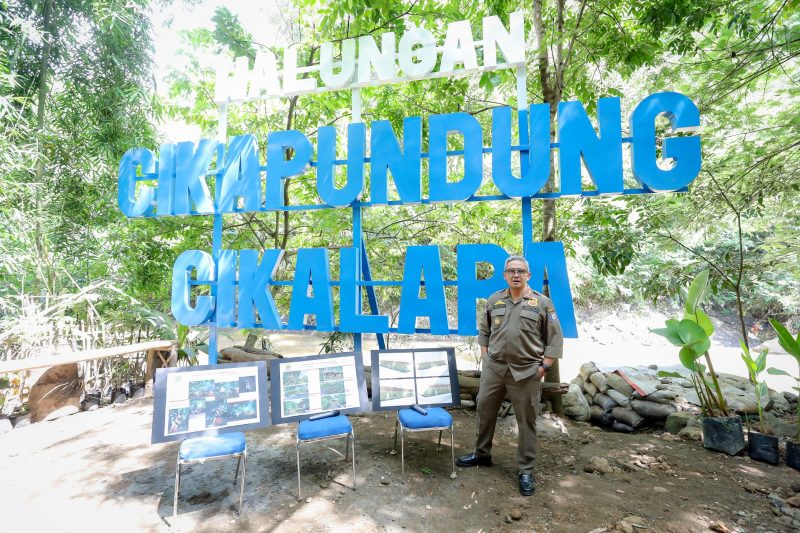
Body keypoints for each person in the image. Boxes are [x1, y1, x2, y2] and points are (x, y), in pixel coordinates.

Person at [456, 255, 564, 496]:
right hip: (495, 370)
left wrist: (543, 368)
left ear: (528, 275)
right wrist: (485, 355)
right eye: (511, 271)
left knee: (526, 421)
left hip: (526, 373)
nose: (516, 274)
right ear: (504, 275)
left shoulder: (543, 304)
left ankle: (525, 469)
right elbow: (484, 330)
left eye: (520, 271)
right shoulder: (494, 300)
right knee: (484, 410)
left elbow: (555, 340)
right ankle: (481, 454)